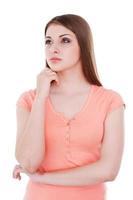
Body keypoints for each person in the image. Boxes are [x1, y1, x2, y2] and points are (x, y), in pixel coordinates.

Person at [12, 14, 126, 200]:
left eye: (65, 40)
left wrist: (44, 178)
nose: (53, 49)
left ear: (83, 46)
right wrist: (41, 97)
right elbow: (29, 162)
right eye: (48, 42)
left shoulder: (110, 101)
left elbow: (108, 170)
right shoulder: (28, 100)